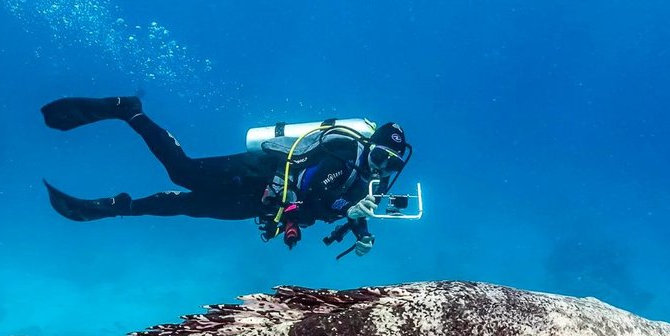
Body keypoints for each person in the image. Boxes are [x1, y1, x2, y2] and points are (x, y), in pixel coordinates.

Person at [39, 96, 411, 256]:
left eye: (391, 164)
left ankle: (117, 207)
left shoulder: (369, 182)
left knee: (188, 206)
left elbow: (345, 207)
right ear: (370, 146)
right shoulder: (343, 152)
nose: (381, 167)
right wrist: (346, 210)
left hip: (261, 204)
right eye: (380, 156)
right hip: (258, 175)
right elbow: (310, 187)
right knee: (182, 172)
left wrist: (363, 234)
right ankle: (129, 110)